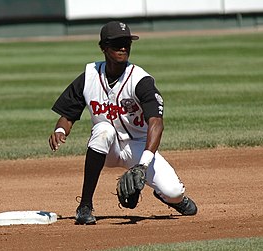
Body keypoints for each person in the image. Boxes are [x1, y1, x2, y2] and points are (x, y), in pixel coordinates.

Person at [49, 21, 197, 225]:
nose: (123, 47)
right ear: (103, 47)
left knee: (173, 191)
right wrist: (60, 129)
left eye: (126, 43)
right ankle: (85, 205)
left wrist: (143, 165)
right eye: (117, 43)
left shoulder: (140, 79)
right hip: (108, 148)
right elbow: (68, 113)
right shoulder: (90, 76)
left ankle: (171, 198)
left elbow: (156, 122)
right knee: (103, 129)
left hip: (138, 145)